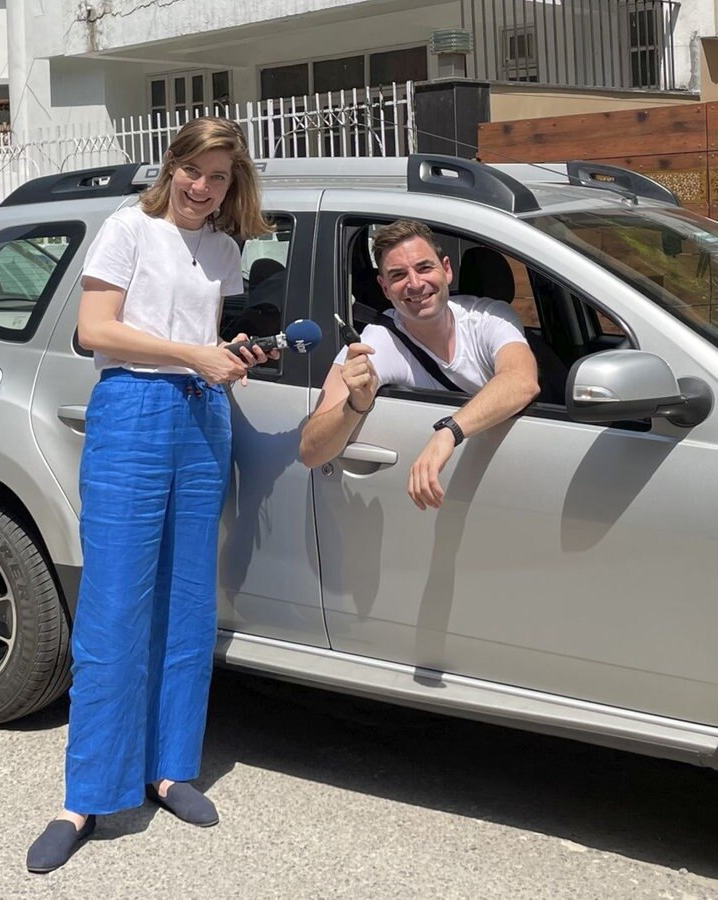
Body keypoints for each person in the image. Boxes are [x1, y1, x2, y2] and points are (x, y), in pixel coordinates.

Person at [27, 117, 274, 874]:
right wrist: (192, 353)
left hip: (202, 414)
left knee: (187, 601)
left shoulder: (226, 250)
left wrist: (229, 357)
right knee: (115, 603)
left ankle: (170, 768)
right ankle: (86, 796)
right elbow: (95, 330)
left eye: (221, 177)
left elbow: (204, 332)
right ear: (172, 168)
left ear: (235, 184)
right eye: (196, 171)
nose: (205, 188)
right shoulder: (126, 227)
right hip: (133, 407)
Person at [300, 219, 540, 510]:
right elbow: (311, 452)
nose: (414, 284)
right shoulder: (375, 343)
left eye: (424, 268)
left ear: (447, 269)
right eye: (398, 275)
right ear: (385, 288)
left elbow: (521, 381)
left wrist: (448, 432)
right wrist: (355, 404)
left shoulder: (489, 317)